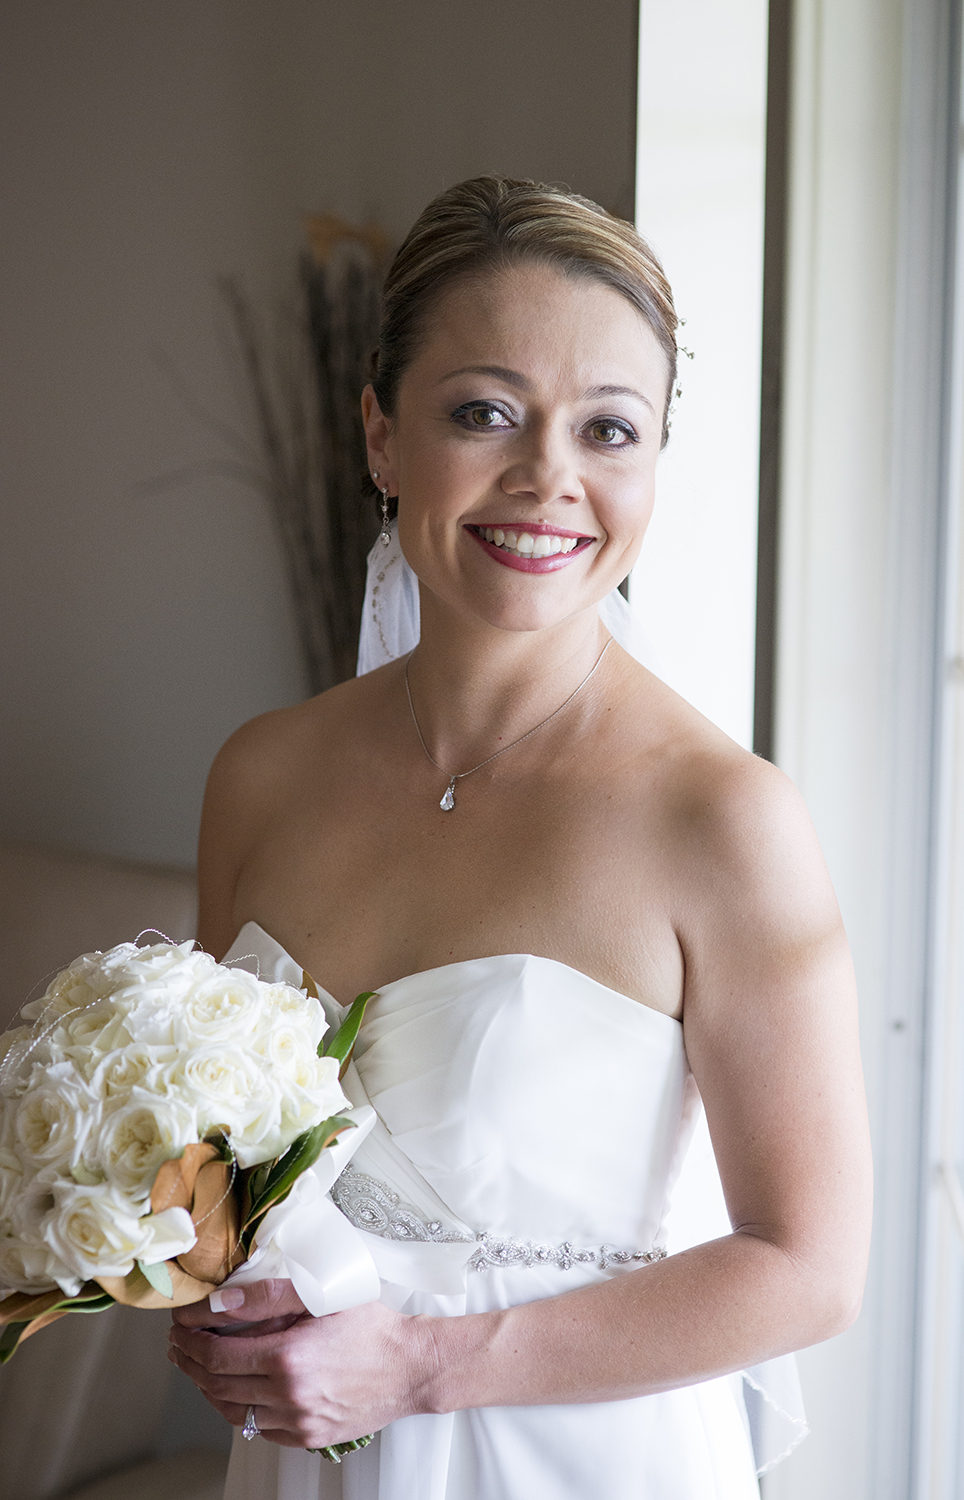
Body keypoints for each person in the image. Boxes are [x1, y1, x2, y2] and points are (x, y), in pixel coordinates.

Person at [167, 176, 872, 1500]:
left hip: (581, 1462)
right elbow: (214, 1169)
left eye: (609, 430)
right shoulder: (259, 775)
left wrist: (424, 1368)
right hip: (307, 1462)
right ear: (380, 435)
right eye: (484, 412)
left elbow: (808, 1269)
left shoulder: (721, 818)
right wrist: (197, 1296)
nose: (548, 477)